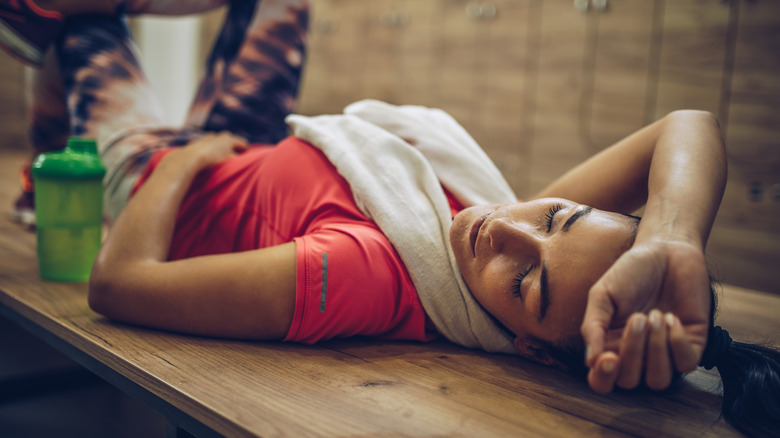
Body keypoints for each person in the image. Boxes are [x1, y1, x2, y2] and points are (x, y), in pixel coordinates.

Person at [2, 1, 778, 436]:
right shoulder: (488, 225)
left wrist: (182, 162)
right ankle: (53, 144)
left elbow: (121, 284)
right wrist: (672, 237)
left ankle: (56, 149)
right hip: (253, 148)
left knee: (82, 24)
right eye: (560, 217)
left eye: (529, 283)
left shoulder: (369, 271)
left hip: (158, 183)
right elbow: (688, 122)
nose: (505, 227)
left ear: (529, 349)